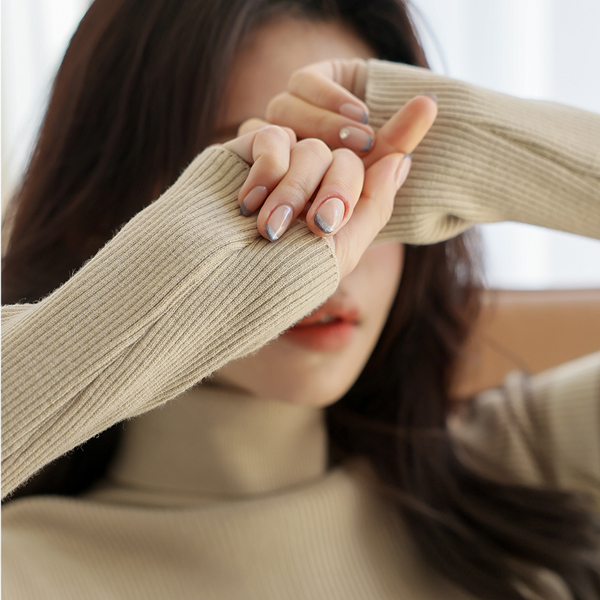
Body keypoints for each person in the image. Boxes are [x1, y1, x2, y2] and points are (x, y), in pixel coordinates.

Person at [2, 0, 599, 598]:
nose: (327, 249)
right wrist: (138, 308)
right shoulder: (24, 570)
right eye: (253, 176)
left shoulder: (523, 467)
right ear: (100, 215)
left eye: (361, 170)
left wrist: (493, 146)